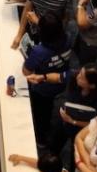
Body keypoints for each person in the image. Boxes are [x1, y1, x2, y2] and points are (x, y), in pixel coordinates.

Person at [24, 12, 73, 147]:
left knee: (41, 114)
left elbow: (26, 71)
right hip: (61, 82)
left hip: (42, 88)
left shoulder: (39, 52)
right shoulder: (68, 39)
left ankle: (41, 139)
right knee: (47, 107)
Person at [49, 64, 97, 166]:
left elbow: (96, 126)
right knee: (55, 145)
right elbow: (59, 77)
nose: (77, 76)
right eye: (80, 72)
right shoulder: (74, 76)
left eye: (82, 77)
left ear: (92, 85)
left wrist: (73, 121)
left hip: (80, 131)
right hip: (64, 122)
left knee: (76, 156)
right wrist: (41, 77)